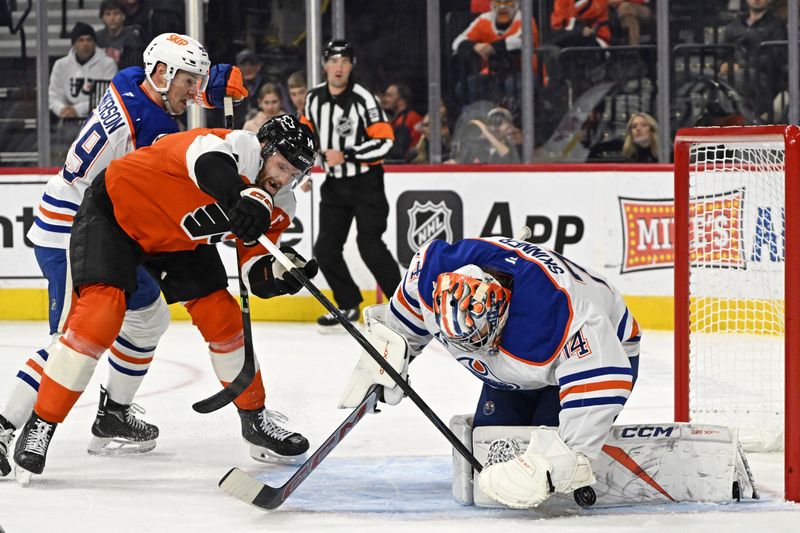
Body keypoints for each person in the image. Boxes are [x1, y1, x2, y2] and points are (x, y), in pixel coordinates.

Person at [11, 114, 318, 479]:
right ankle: (41, 424)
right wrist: (243, 195)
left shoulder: (280, 201)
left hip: (177, 241)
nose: (283, 179)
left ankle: (255, 420)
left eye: (294, 174)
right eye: (281, 166)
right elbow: (209, 166)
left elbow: (254, 272)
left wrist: (278, 277)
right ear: (264, 148)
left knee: (224, 316)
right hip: (116, 216)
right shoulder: (233, 147)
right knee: (98, 318)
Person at [0, 32, 248, 477]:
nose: (194, 92)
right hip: (75, 230)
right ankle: (2, 428)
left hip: (98, 221)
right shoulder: (148, 127)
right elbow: (172, 173)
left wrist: (211, 85)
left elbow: (167, 98)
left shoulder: (131, 78)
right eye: (188, 82)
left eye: (196, 83)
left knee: (149, 316)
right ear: (162, 74)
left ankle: (113, 413)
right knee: (69, 340)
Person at [338, 235, 640, 509]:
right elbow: (402, 326)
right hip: (517, 369)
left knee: (542, 480)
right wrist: (386, 357)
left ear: (503, 311)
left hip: (601, 351)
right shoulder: (429, 273)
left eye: (478, 340)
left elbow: (603, 380)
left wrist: (564, 461)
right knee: (493, 454)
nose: (472, 352)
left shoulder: (564, 315)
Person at [301, 40, 402, 328]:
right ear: (324, 65)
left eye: (345, 61)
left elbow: (384, 142)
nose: (339, 67)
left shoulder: (363, 98)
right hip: (335, 185)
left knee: (369, 244)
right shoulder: (313, 99)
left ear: (352, 66)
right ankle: (347, 304)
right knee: (325, 249)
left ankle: (403, 306)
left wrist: (348, 153)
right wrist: (305, 173)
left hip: (366, 183)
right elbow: (307, 142)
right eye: (333, 61)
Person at [451, 0, 541, 106]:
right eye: (498, 3)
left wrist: (492, 48)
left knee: (512, 85)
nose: (503, 7)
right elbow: (457, 42)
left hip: (523, 73)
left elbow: (522, 40)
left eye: (508, 3)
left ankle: (515, 120)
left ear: (517, 4)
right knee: (464, 88)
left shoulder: (525, 19)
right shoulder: (483, 19)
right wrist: (475, 46)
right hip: (492, 75)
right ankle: (477, 117)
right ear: (492, 5)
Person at [48, 22, 118, 119]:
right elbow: (54, 95)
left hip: (98, 118)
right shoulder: (60, 65)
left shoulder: (108, 64)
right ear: (73, 44)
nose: (85, 44)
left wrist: (77, 110)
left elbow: (107, 98)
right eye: (80, 40)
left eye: (89, 40)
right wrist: (61, 109)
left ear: (94, 43)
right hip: (65, 118)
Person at [96, 0, 145, 69]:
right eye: (108, 14)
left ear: (123, 16)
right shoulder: (97, 38)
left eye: (116, 14)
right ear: (102, 18)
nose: (112, 18)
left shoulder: (133, 38)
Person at [383, 83, 423, 163]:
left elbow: (399, 152)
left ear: (400, 100)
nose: (385, 99)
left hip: (410, 166)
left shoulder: (412, 118)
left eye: (389, 96)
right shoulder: (394, 121)